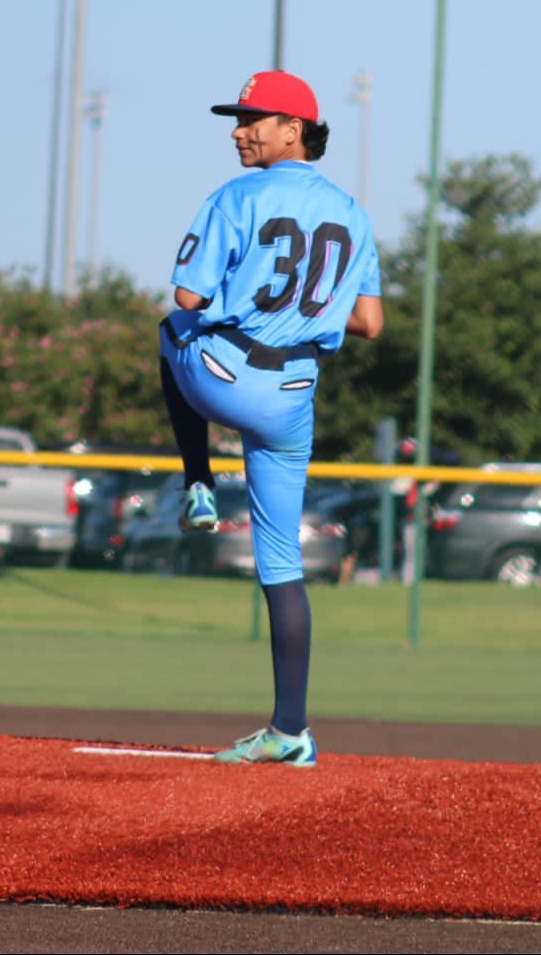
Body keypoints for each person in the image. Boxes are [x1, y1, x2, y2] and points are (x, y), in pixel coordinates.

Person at [158, 71, 384, 766]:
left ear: (294, 129)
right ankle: (291, 731)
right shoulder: (352, 212)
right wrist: (311, 306)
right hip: (293, 395)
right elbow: (370, 322)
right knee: (281, 563)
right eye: (239, 119)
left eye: (253, 118)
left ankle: (198, 482)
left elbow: (188, 295)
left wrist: (251, 294)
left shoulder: (236, 196)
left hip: (225, 376)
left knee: (169, 330)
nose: (239, 130)